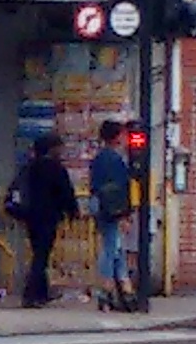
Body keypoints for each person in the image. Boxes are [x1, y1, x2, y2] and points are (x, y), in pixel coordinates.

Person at [8, 133, 77, 308]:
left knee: (39, 253)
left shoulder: (30, 167)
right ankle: (31, 294)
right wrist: (72, 212)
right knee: (41, 256)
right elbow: (65, 192)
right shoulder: (55, 168)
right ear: (52, 148)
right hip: (48, 216)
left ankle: (42, 292)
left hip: (30, 216)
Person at [88, 120, 137, 308]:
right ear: (117, 137)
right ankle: (107, 289)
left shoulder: (99, 158)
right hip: (112, 207)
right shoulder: (115, 160)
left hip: (99, 204)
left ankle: (125, 287)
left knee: (116, 248)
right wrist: (125, 213)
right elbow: (120, 187)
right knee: (111, 248)